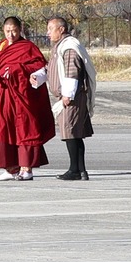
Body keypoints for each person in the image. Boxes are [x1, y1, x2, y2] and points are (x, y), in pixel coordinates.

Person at [0, 15, 55, 180]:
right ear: (3, 30)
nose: (11, 35)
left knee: (25, 129)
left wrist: (20, 70)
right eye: (8, 31)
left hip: (23, 96)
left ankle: (26, 169)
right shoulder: (0, 46)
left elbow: (40, 66)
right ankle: (10, 169)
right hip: (6, 96)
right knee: (5, 129)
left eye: (14, 31)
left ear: (20, 30)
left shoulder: (28, 47)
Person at [46, 15, 95, 181]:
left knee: (70, 132)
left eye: (50, 29)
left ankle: (74, 170)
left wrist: (67, 95)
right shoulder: (60, 47)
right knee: (75, 133)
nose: (48, 33)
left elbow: (71, 72)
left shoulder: (69, 47)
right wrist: (38, 77)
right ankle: (81, 171)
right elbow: (50, 69)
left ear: (61, 29)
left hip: (71, 97)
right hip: (70, 96)